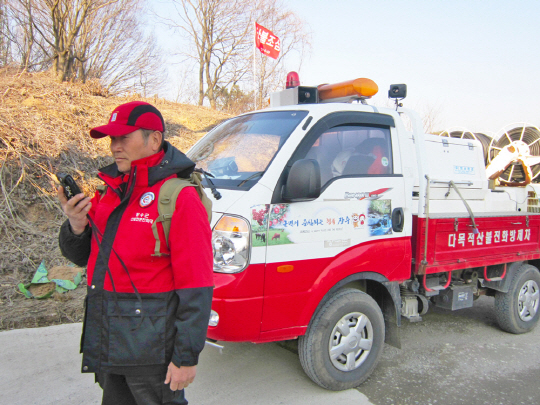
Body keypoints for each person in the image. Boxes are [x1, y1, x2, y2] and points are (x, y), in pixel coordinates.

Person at [57, 101, 214, 405]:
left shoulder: (179, 198)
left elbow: (197, 284)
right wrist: (76, 224)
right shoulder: (109, 192)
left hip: (152, 350)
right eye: (112, 139)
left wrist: (185, 357)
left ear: (154, 139)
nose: (114, 147)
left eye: (123, 138)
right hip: (108, 340)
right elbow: (84, 258)